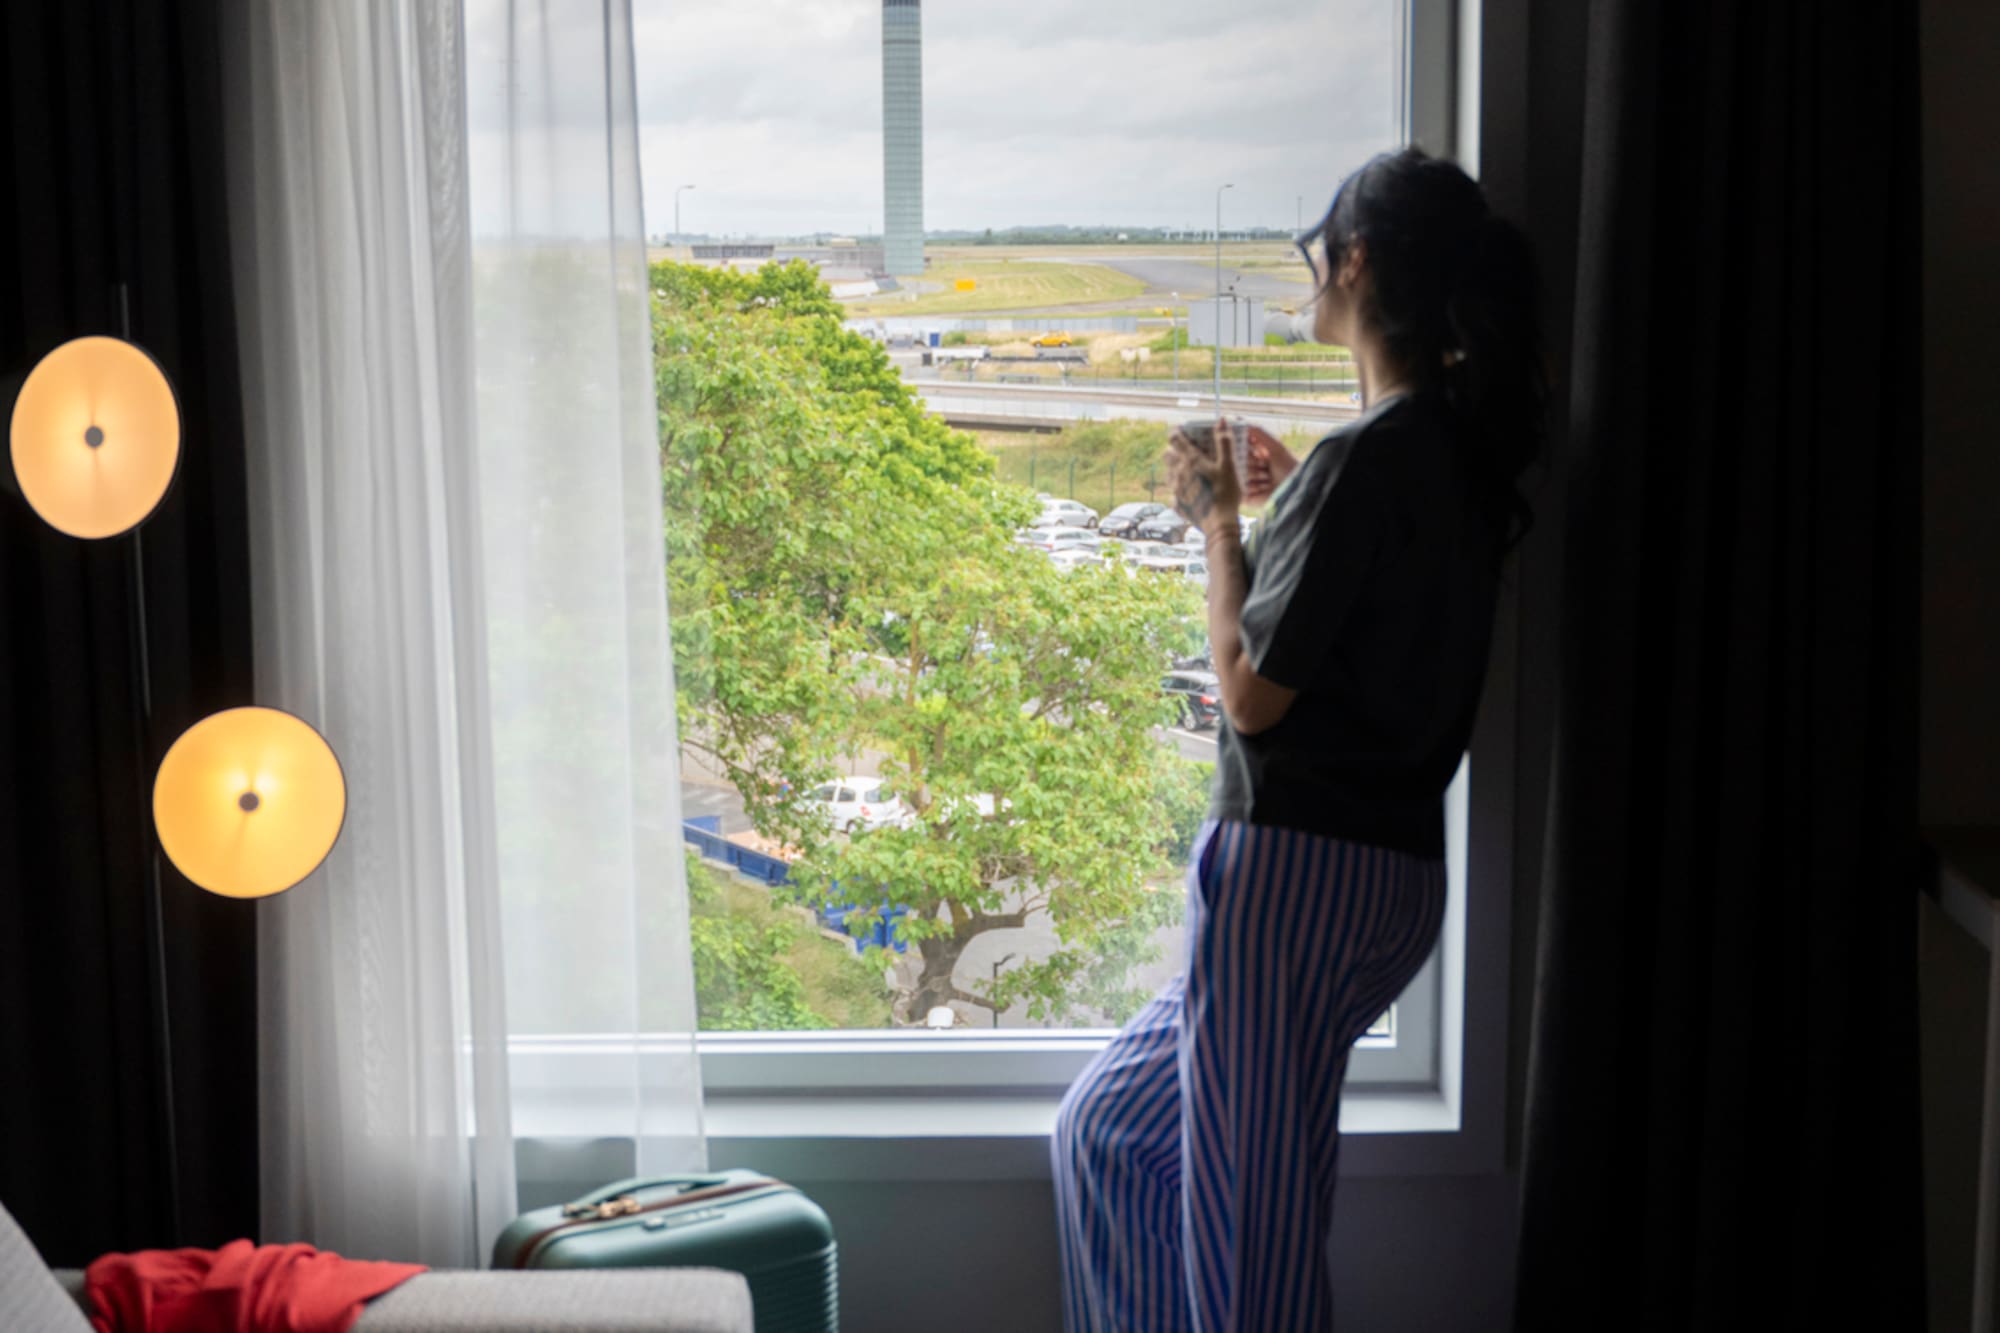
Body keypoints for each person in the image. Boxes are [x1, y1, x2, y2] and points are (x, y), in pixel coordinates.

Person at [1050, 147, 1548, 1332]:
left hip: (1291, 879)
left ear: (1356, 260)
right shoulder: (1446, 453)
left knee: (1245, 1258)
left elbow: (1249, 695)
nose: (1309, 276)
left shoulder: (1366, 461)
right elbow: (1362, 614)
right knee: (1106, 1135)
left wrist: (1217, 523)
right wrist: (1288, 503)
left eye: (1314, 253)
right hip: (1382, 882)